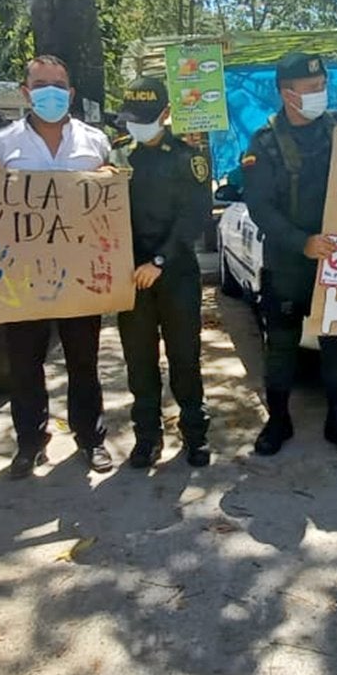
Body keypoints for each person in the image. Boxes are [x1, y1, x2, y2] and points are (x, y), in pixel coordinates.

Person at [0, 55, 114, 476]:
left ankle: (91, 438)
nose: (50, 92)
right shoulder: (0, 145)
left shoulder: (96, 142)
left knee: (84, 362)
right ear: (26, 93)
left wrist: (110, 177)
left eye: (58, 84)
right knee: (24, 365)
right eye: (40, 85)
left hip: (81, 275)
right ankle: (29, 443)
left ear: (71, 93)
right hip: (21, 277)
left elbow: (111, 199)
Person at [242, 51, 337, 462]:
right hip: (289, 261)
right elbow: (260, 207)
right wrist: (302, 242)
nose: (320, 93)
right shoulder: (264, 143)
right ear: (287, 93)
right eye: (311, 88)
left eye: (322, 86)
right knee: (281, 345)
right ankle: (278, 420)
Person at [111, 76, 213, 469]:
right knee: (139, 362)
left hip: (175, 272)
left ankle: (195, 433)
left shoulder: (187, 157)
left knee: (185, 357)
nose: (136, 125)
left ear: (166, 114)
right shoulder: (120, 156)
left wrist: (159, 261)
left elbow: (195, 217)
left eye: (146, 118)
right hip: (130, 276)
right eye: (132, 118)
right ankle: (147, 437)